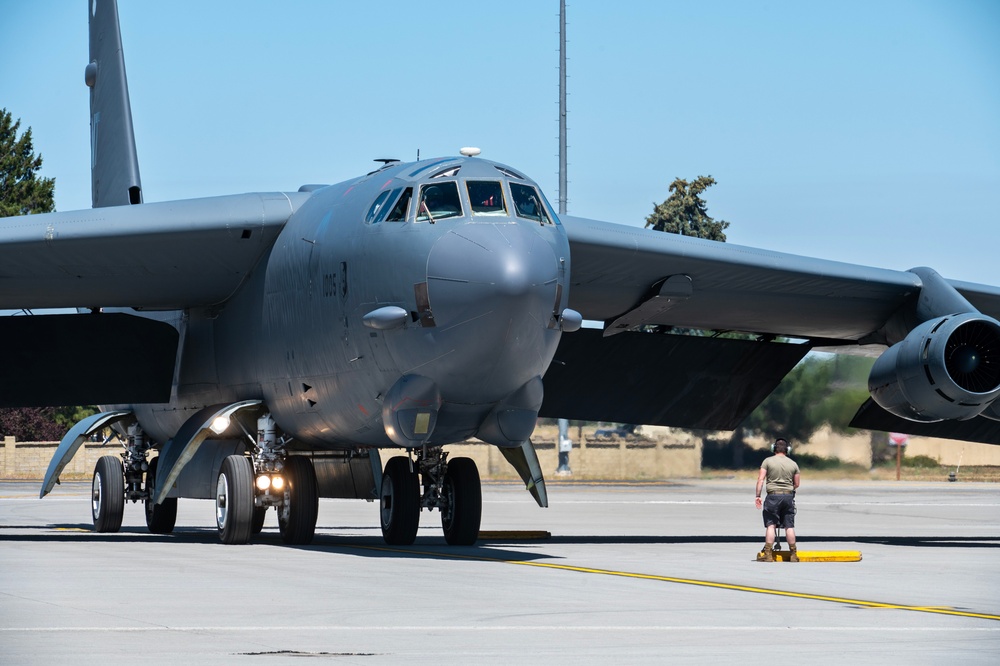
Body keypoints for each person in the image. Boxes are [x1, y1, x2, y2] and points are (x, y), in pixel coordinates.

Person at [755, 437, 800, 562]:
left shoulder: (767, 461)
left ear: (773, 448)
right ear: (788, 449)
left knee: (771, 525)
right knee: (789, 526)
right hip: (788, 496)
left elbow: (760, 480)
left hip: (773, 496)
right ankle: (793, 555)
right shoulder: (793, 464)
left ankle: (768, 555)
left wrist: (758, 495)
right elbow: (797, 483)